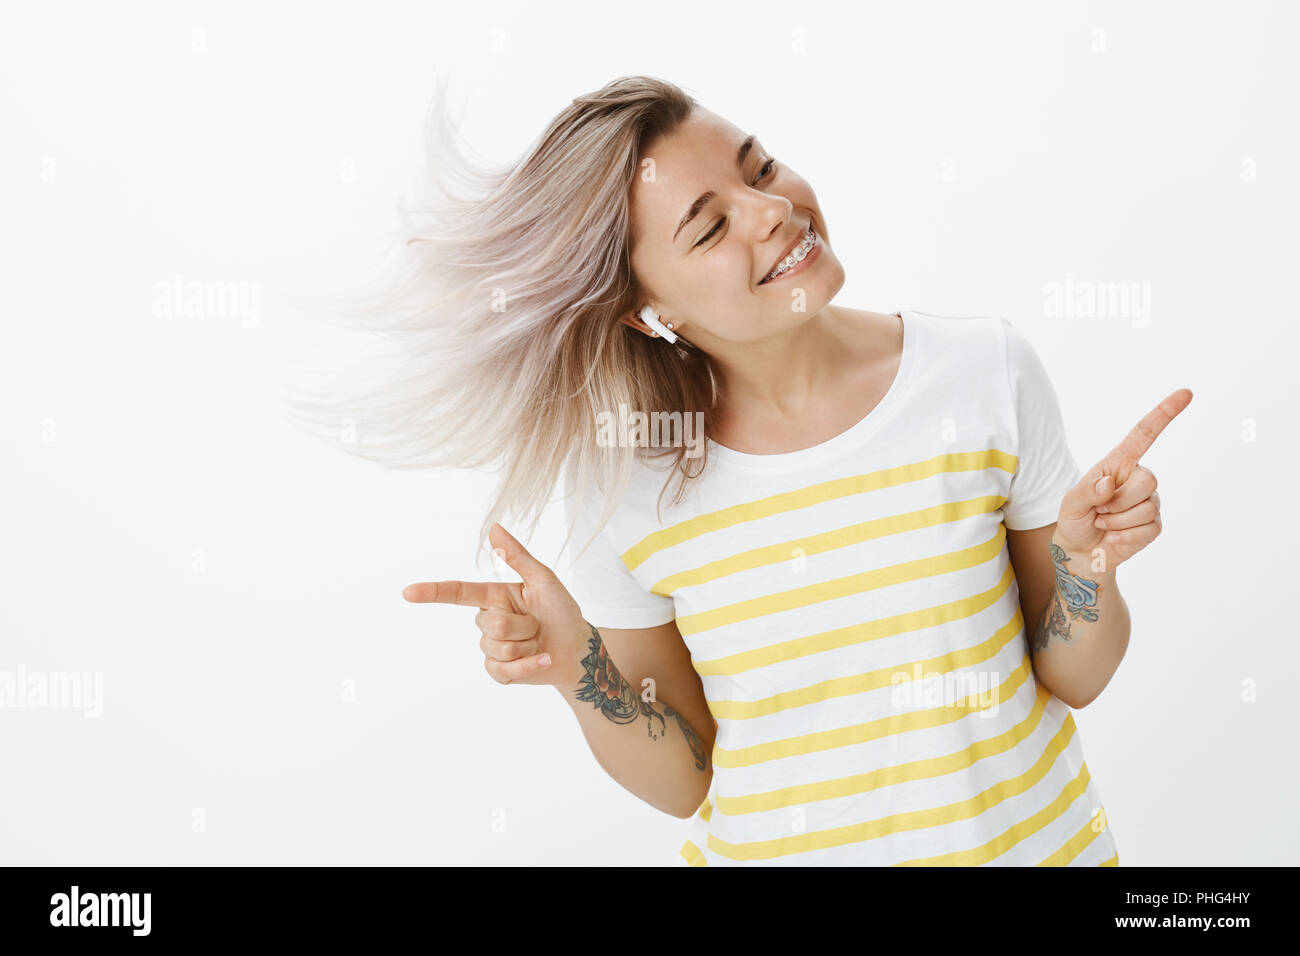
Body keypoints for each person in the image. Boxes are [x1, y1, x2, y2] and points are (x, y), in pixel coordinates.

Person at [291, 74, 1185, 866]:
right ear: (646, 311)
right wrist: (577, 669)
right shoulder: (627, 484)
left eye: (759, 168)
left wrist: (1088, 564)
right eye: (712, 227)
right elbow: (686, 778)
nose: (771, 211)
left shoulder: (982, 373)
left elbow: (1076, 676)